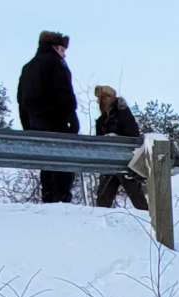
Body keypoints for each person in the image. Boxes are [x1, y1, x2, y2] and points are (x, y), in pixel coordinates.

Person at [17, 31, 79, 203]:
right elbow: (64, 91)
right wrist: (71, 119)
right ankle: (62, 200)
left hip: (35, 122)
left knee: (45, 162)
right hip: (56, 121)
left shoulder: (28, 67)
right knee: (63, 160)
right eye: (62, 49)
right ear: (54, 47)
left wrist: (27, 125)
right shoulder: (57, 63)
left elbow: (21, 99)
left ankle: (48, 198)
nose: (64, 53)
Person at [92, 85, 149, 210]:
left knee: (138, 199)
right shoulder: (101, 120)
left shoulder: (123, 114)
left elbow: (133, 136)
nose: (98, 102)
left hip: (127, 163)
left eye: (100, 99)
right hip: (109, 164)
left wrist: (116, 138)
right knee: (102, 202)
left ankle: (150, 225)